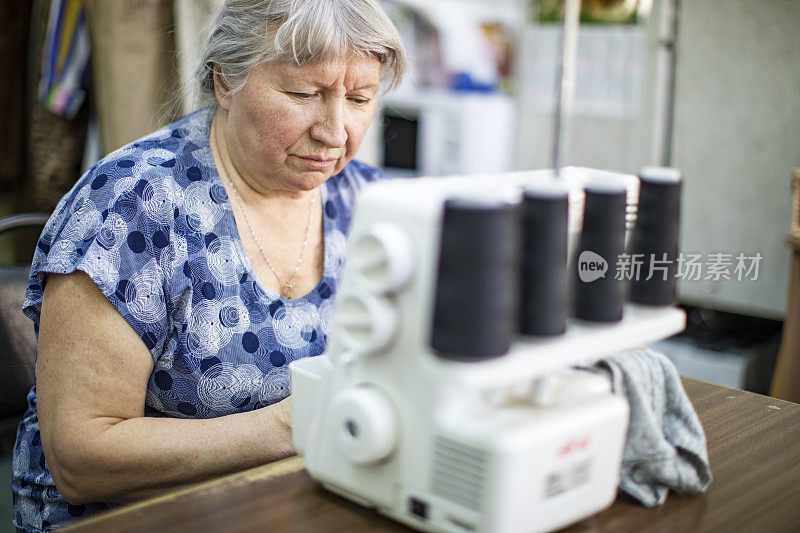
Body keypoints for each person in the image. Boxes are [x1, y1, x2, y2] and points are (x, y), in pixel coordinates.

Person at [11, 0, 406, 530]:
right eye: (303, 94)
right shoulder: (130, 208)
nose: (334, 130)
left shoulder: (373, 205)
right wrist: (299, 424)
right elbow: (82, 457)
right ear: (225, 81)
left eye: (359, 98)